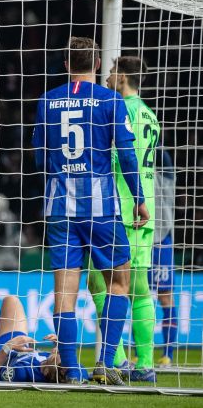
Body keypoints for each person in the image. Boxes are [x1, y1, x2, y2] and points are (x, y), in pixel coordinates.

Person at [32, 37, 149, 385]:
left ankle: (71, 369)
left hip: (59, 207)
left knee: (65, 291)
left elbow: (39, 156)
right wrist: (139, 198)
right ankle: (105, 363)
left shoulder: (47, 100)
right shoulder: (111, 100)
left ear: (66, 64)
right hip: (101, 209)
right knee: (119, 282)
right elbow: (127, 156)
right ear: (97, 63)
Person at [87, 55, 161, 382]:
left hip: (121, 208)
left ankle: (114, 358)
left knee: (100, 283)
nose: (107, 77)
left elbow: (120, 158)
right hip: (146, 210)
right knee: (139, 289)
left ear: (123, 78)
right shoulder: (149, 114)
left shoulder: (121, 109)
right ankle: (145, 364)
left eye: (112, 72)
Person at [150, 150, 177, 367]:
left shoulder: (165, 173)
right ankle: (138, 352)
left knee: (165, 297)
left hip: (161, 240)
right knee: (137, 296)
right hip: (140, 240)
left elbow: (162, 155)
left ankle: (168, 353)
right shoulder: (134, 173)